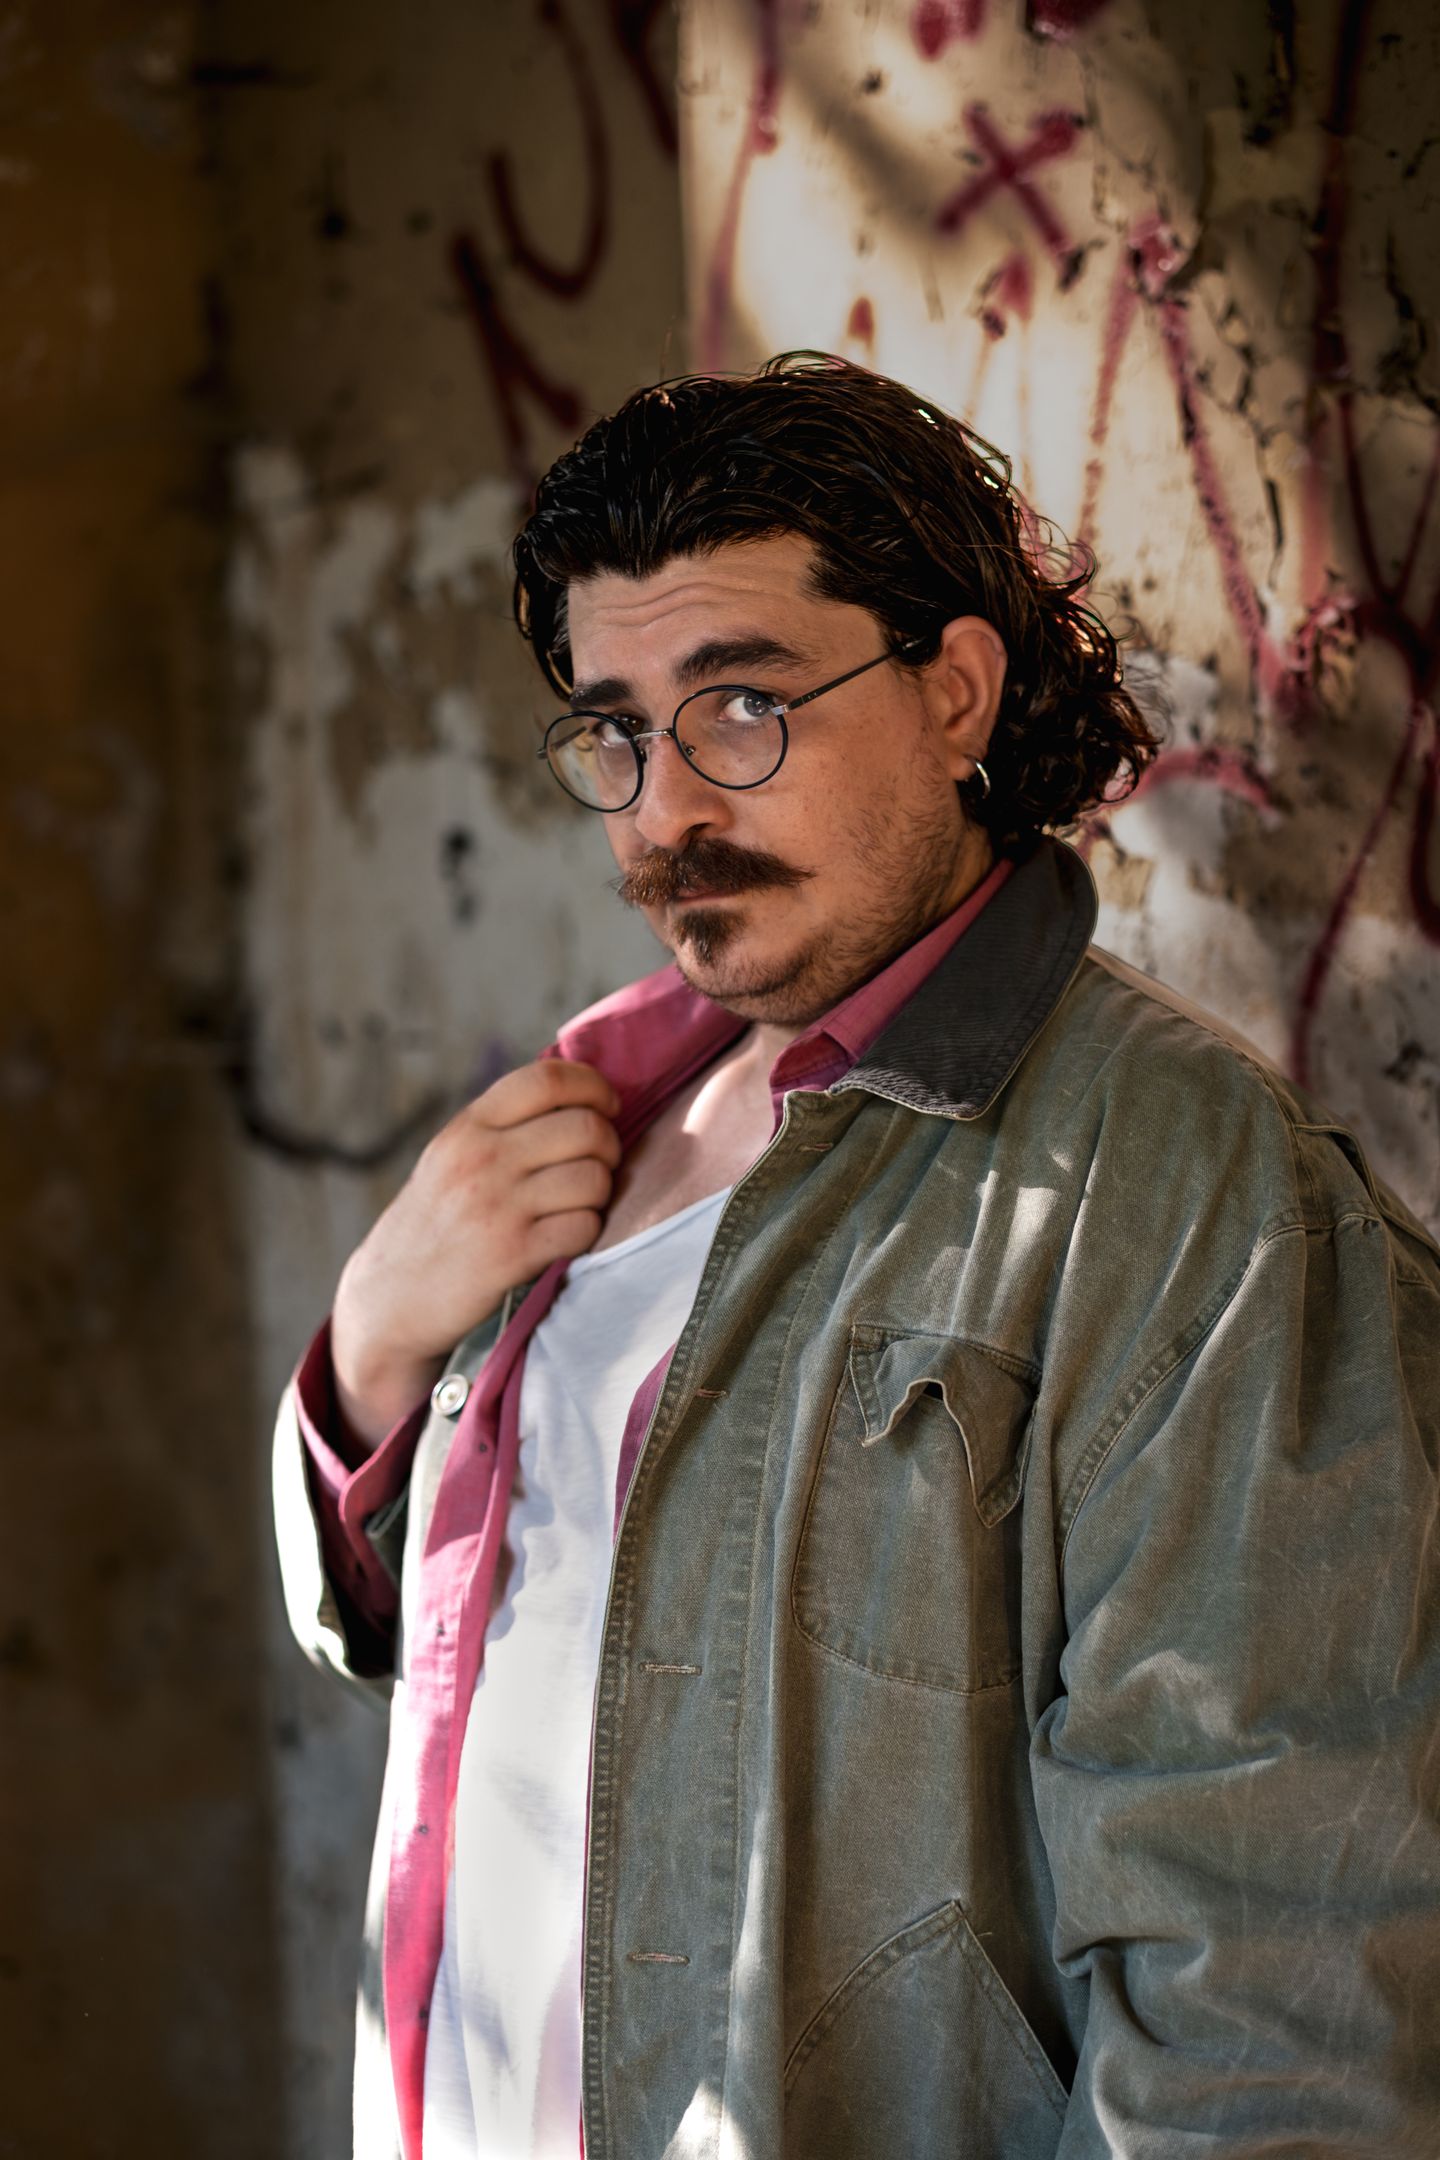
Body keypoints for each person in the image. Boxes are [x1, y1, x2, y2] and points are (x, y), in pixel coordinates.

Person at [273, 354, 1440, 2160]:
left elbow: (1271, 1999)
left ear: (954, 688)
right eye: (617, 732)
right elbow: (484, 1660)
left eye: (742, 705)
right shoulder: (589, 1115)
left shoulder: (1186, 1186)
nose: (666, 810)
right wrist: (371, 1353)